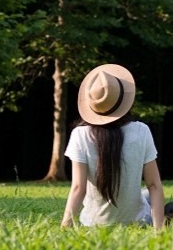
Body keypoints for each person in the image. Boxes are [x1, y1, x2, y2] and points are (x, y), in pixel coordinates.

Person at [61, 64, 165, 229]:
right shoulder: (141, 130)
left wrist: (65, 226)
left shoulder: (80, 135)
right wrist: (159, 230)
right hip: (136, 221)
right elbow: (154, 185)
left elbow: (78, 188)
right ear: (123, 100)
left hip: (93, 223)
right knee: (146, 194)